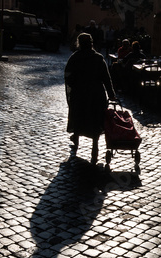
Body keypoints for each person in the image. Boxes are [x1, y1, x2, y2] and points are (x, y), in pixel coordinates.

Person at [64, 33, 116, 165]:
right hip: (96, 95)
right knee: (95, 121)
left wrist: (75, 84)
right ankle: (95, 148)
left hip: (79, 95)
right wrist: (111, 95)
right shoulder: (98, 58)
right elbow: (106, 78)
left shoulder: (75, 58)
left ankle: (75, 141)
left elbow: (68, 76)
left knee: (78, 116)